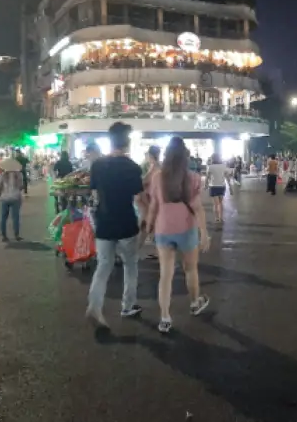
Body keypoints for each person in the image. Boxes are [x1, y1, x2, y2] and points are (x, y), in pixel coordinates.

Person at [146, 137, 211, 333]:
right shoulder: (192, 178)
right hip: (186, 230)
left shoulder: (157, 177)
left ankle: (165, 318)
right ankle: (194, 303)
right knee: (190, 270)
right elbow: (198, 209)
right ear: (185, 157)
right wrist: (204, 233)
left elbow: (154, 206)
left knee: (165, 275)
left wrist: (149, 227)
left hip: (163, 230)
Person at [86, 122, 145, 328]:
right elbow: (139, 198)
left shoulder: (98, 165)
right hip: (126, 223)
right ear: (127, 142)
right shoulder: (132, 167)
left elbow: (94, 194)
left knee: (103, 266)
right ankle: (128, 306)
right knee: (130, 265)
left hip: (104, 223)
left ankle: (95, 306)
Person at [0, 157, 25, 242]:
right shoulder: (19, 175)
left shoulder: (2, 175)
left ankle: (4, 236)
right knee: (16, 217)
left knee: (3, 217)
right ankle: (17, 235)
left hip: (4, 198)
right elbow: (20, 187)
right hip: (16, 197)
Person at [206, 153, 232, 223]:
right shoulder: (223, 166)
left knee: (215, 204)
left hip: (213, 186)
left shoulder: (210, 167)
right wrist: (230, 187)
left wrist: (205, 185)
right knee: (220, 203)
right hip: (222, 186)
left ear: (212, 158)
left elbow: (207, 177)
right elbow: (227, 177)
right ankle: (221, 217)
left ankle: (217, 218)